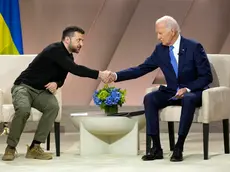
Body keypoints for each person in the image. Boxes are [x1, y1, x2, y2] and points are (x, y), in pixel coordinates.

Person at [104, 16, 213, 162]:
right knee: (150, 98)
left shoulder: (194, 47)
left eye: (160, 33)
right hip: (172, 91)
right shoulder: (160, 50)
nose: (158, 37)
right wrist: (116, 76)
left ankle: (178, 147)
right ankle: (156, 148)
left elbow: (206, 77)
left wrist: (187, 88)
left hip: (193, 92)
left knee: (188, 98)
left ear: (172, 32)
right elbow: (141, 69)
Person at [2, 26, 110, 161]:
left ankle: (35, 147)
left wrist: (56, 83)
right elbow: (75, 69)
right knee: (23, 110)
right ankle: (11, 147)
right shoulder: (55, 50)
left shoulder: (68, 56)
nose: (81, 44)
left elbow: (62, 78)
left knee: (53, 107)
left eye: (82, 41)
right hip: (24, 87)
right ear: (67, 39)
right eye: (79, 40)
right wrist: (99, 74)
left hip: (41, 91)